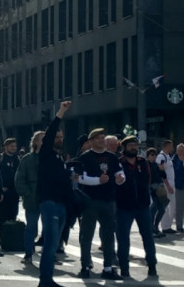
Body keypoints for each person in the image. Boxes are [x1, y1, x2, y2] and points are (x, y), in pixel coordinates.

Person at [75, 128, 125, 280]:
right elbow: (79, 178)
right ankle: (85, 266)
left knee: (109, 236)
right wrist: (97, 181)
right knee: (87, 236)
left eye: (103, 138)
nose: (101, 140)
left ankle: (108, 268)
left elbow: (119, 172)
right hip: (90, 201)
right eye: (98, 138)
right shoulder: (85, 157)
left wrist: (120, 178)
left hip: (108, 200)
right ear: (91, 141)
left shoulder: (111, 157)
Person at [37, 101, 72, 287]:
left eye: (61, 137)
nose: (58, 139)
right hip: (49, 203)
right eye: (56, 137)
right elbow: (50, 133)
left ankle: (47, 278)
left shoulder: (60, 158)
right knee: (50, 243)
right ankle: (45, 280)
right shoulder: (46, 154)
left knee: (55, 244)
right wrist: (61, 112)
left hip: (61, 204)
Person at [116, 135, 157, 278]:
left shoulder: (142, 162)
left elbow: (148, 179)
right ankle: (124, 268)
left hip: (142, 206)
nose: (134, 147)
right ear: (124, 147)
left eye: (135, 145)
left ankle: (152, 265)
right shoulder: (118, 162)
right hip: (124, 207)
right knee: (123, 239)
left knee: (148, 237)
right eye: (130, 145)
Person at [14, 131, 44, 264]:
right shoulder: (27, 159)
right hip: (32, 198)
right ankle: (28, 253)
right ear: (36, 142)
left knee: (49, 228)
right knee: (31, 227)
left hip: (48, 198)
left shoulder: (51, 158)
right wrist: (27, 193)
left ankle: (50, 254)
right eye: (42, 139)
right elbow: (19, 179)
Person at [0, 138, 20, 231]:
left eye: (15, 146)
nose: (14, 148)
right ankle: (2, 236)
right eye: (12, 146)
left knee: (13, 214)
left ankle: (10, 237)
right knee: (3, 215)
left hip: (14, 193)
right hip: (3, 193)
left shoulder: (17, 160)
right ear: (6, 147)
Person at [156, 140, 176, 234]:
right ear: (166, 146)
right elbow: (162, 172)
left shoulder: (167, 156)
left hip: (171, 184)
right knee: (166, 206)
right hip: (166, 185)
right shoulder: (161, 157)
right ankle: (165, 227)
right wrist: (168, 186)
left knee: (171, 206)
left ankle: (168, 225)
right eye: (171, 146)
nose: (172, 148)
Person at [173, 144, 184, 232]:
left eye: (182, 150)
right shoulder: (174, 160)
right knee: (179, 208)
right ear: (177, 151)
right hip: (179, 186)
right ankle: (179, 226)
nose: (181, 152)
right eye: (180, 150)